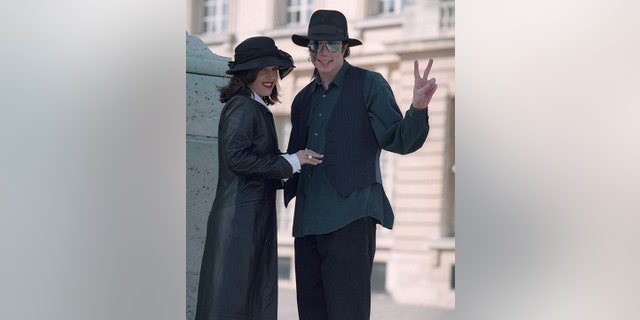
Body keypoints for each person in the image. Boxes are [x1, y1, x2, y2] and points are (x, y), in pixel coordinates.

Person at [284, 10, 438, 320]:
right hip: (307, 224)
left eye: (331, 45)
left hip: (351, 218)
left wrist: (418, 108)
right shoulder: (302, 99)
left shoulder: (370, 85)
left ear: (344, 47)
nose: (322, 53)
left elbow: (400, 140)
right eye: (315, 45)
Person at [195, 36, 323, 320]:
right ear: (246, 73)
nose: (270, 76)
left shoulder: (255, 106)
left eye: (274, 70)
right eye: (263, 69)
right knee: (232, 303)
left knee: (248, 301)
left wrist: (293, 162)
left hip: (249, 219)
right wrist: (291, 161)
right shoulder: (243, 106)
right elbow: (236, 157)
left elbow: (251, 158)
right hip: (239, 222)